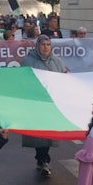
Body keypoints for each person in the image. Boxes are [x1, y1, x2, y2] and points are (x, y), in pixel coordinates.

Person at [20, 35, 68, 177]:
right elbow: (23, 81)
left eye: (48, 44)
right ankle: (43, 160)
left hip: (51, 103)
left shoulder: (57, 62)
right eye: (43, 44)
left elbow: (63, 79)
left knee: (48, 133)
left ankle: (43, 159)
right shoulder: (28, 61)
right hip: (36, 103)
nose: (46, 47)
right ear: (37, 46)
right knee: (38, 134)